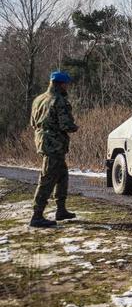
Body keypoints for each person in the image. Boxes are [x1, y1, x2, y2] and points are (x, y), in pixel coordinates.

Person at [29, 71, 79, 227]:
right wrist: (73, 126)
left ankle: (61, 210)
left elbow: (32, 122)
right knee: (48, 178)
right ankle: (36, 216)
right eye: (66, 84)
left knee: (62, 175)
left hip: (44, 141)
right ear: (60, 84)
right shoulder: (58, 101)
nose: (67, 87)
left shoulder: (39, 99)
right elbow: (67, 125)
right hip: (54, 145)